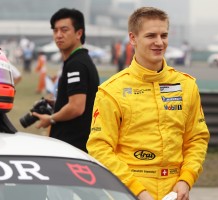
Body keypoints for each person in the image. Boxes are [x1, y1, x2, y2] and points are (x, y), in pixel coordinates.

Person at [87, 7, 209, 200]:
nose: (159, 42)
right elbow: (99, 148)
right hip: (128, 192)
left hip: (175, 193)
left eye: (164, 35)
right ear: (133, 38)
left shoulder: (186, 85)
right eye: (151, 35)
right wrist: (137, 191)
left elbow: (197, 139)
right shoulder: (111, 91)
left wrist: (186, 180)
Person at [32, 8, 99, 152]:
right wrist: (57, 103)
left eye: (64, 30)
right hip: (75, 143)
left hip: (72, 144)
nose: (58, 35)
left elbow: (76, 107)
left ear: (78, 33)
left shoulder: (76, 64)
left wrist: (50, 119)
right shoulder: (78, 60)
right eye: (55, 31)